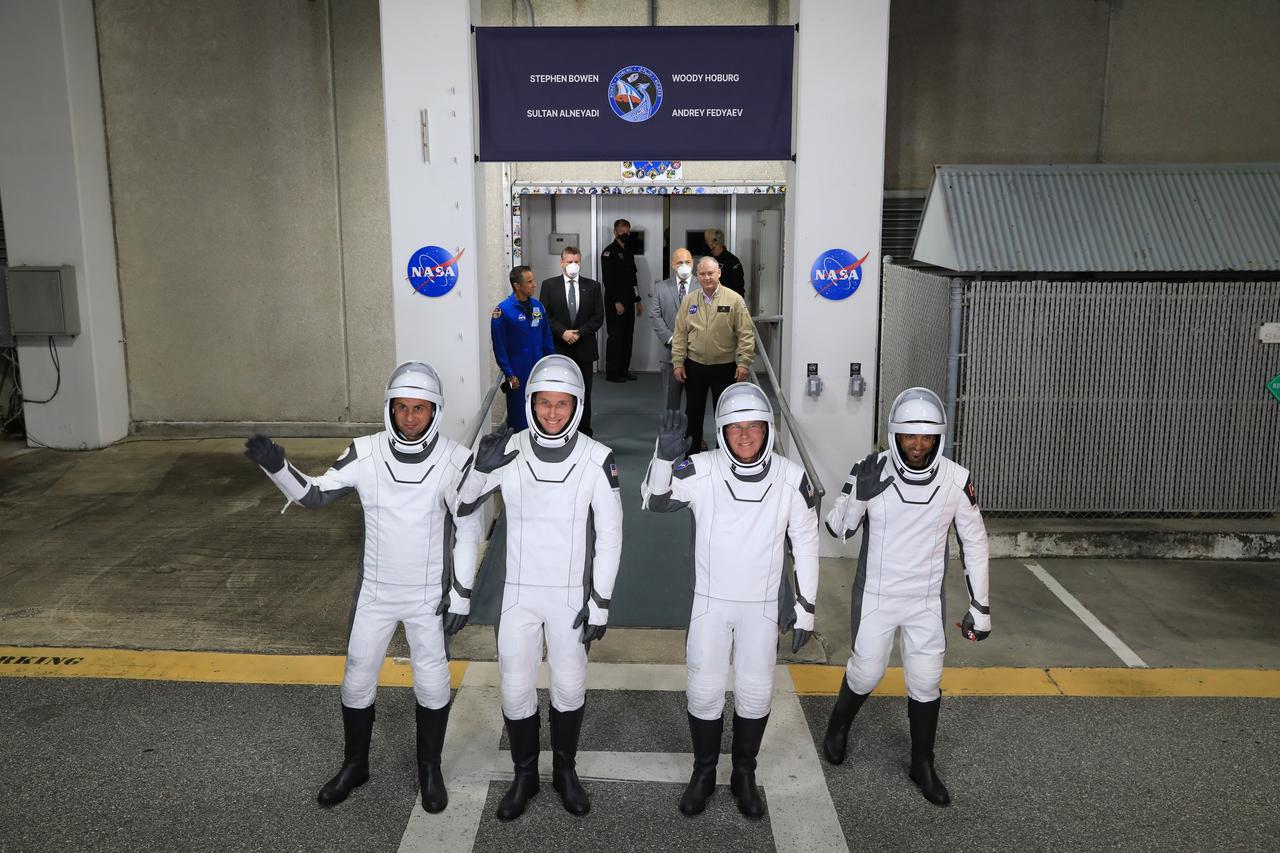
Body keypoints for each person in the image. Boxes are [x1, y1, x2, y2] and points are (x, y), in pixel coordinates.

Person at [243, 361, 480, 813]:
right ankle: (356, 765)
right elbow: (313, 495)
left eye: (420, 409)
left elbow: (467, 528)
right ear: (388, 408)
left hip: (428, 595)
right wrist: (277, 467)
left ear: (435, 412)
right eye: (402, 408)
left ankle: (430, 770)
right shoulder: (365, 451)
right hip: (374, 592)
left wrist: (462, 591)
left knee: (432, 683)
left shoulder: (456, 459)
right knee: (356, 679)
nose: (410, 418)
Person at [456, 354, 623, 821]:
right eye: (544, 403)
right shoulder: (507, 450)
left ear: (577, 405)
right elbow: (463, 506)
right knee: (514, 690)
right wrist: (477, 473)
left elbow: (611, 536)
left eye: (562, 404)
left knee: (569, 690)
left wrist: (601, 603)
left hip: (571, 597)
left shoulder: (597, 458)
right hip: (519, 596)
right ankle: (524, 775)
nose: (552, 413)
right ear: (530, 403)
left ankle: (564, 773)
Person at [641, 385, 819, 820]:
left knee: (755, 696)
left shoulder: (791, 478)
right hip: (710, 604)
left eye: (754, 428)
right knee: (703, 693)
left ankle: (743, 774)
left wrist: (807, 607)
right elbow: (653, 500)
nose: (744, 437)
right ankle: (704, 773)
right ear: (721, 431)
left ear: (768, 430)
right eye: (735, 428)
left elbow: (807, 542)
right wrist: (663, 459)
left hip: (760, 607)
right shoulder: (700, 469)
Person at [822, 387, 991, 807]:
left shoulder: (957, 479)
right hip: (878, 594)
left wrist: (981, 607)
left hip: (925, 600)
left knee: (926, 680)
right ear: (895, 435)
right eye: (909, 436)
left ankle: (922, 763)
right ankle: (837, 726)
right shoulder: (869, 469)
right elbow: (836, 530)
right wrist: (859, 496)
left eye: (927, 436)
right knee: (866, 672)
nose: (918, 445)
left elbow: (976, 544)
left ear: (939, 437)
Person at [671, 256, 755, 451]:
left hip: (725, 368)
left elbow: (745, 333)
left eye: (710, 273)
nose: (707, 277)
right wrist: (678, 362)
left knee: (725, 414)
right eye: (702, 274)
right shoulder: (689, 300)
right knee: (693, 413)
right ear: (697, 276)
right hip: (694, 366)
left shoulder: (734, 299)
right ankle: (691, 455)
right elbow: (680, 333)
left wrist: (743, 363)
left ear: (719, 273)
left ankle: (724, 454)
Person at [539, 246, 604, 435]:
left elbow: (598, 317)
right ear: (562, 263)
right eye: (569, 262)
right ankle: (562, 429)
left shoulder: (592, 287)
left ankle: (584, 431)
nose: (573, 265)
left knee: (584, 393)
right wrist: (563, 333)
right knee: (560, 393)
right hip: (560, 350)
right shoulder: (549, 285)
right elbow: (545, 315)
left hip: (584, 349)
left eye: (576, 261)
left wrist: (579, 333)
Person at [491, 265, 554, 430]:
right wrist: (509, 374)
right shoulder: (503, 311)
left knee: (541, 412)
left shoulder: (538, 307)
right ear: (517, 286)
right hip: (518, 374)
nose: (534, 284)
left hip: (539, 370)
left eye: (533, 280)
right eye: (530, 281)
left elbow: (547, 337)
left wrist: (551, 364)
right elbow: (500, 346)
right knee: (519, 417)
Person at [650, 247, 694, 412]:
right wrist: (672, 339)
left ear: (693, 263)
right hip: (669, 352)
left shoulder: (702, 285)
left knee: (695, 401)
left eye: (687, 262)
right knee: (671, 400)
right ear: (673, 265)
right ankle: (671, 435)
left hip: (696, 353)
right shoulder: (661, 287)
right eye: (680, 262)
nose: (684, 266)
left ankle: (694, 436)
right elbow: (654, 315)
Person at [600, 218, 641, 382]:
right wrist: (617, 301)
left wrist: (638, 299)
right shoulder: (608, 252)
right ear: (615, 231)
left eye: (628, 231)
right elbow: (608, 280)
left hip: (630, 301)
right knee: (616, 337)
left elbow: (633, 279)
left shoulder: (629, 252)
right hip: (614, 302)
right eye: (623, 230)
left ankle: (624, 370)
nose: (626, 233)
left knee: (627, 337)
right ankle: (612, 373)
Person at [704, 228, 745, 298]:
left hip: (727, 302)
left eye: (707, 241)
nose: (706, 244)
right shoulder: (707, 259)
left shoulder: (732, 261)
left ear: (714, 243)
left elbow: (739, 288)